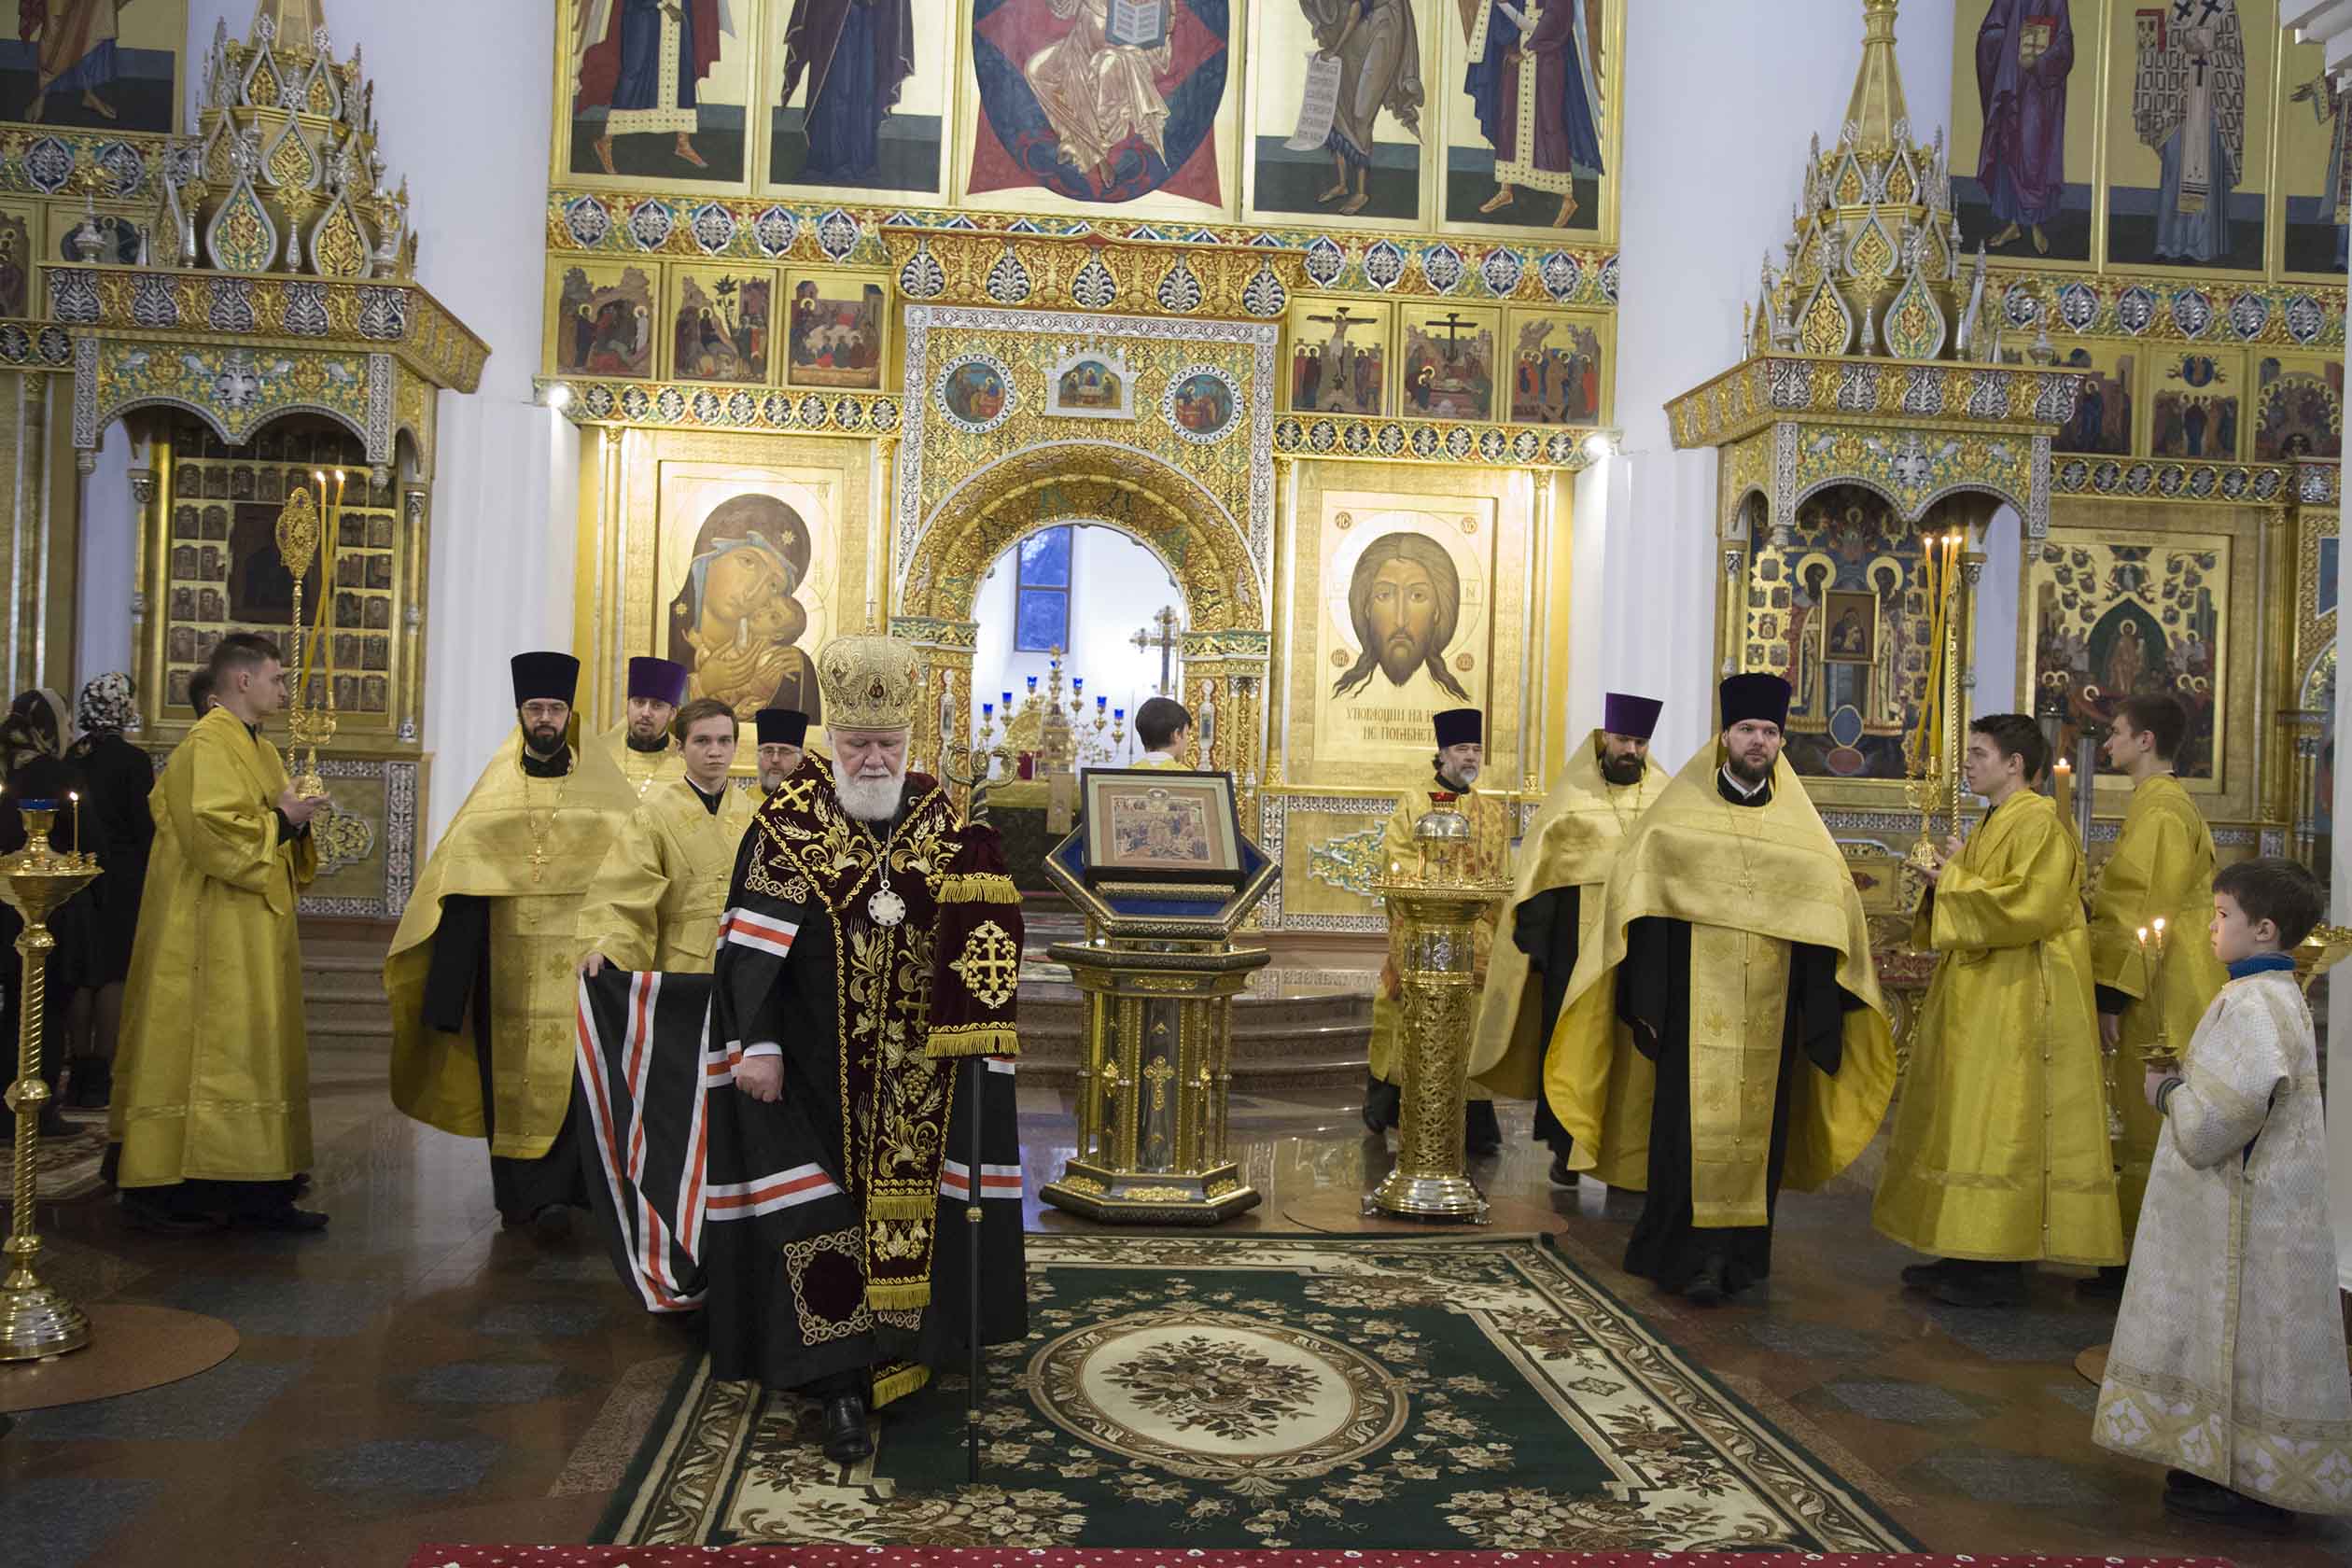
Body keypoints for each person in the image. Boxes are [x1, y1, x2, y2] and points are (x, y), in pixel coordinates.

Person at [574, 633, 1028, 1466]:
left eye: (887, 744)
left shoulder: (937, 815)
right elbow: (747, 950)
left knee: (913, 1211)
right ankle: (836, 1383)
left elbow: (974, 938)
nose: (873, 760)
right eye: (858, 744)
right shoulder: (789, 824)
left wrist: (984, 895)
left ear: (907, 740)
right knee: (817, 1218)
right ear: (833, 738)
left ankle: (908, 1352)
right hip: (811, 1067)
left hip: (917, 1071)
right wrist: (757, 1044)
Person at [1549, 674, 1895, 1304]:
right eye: (1747, 730)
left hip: (1773, 1014)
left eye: (1769, 732)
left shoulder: (1804, 836)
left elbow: (1830, 915)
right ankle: (1683, 1256)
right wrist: (1648, 1005)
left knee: (1758, 1141)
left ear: (1780, 741)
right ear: (1725, 737)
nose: (1758, 741)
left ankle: (1738, 1258)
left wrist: (1821, 1011)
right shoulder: (1676, 822)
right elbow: (1643, 910)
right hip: (1689, 1011)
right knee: (1683, 1141)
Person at [2094, 858, 2352, 1533]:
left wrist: (2168, 1092)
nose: (2212, 927)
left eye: (2222, 915)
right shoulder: (2273, 994)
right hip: (2267, 1206)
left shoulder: (2250, 1003)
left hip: (2246, 1208)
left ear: (2263, 928)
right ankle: (2233, 1468)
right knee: (2257, 1338)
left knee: (2242, 1334)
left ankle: (2243, 1482)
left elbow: (2216, 1126)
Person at [1872, 715, 2122, 1309]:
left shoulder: (2040, 823)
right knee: (1968, 1117)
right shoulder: (1996, 818)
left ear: (2015, 764)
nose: (1969, 763)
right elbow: (1982, 890)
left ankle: (2000, 1263)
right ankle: (1963, 1245)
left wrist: (1953, 880)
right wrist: (1949, 879)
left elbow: (2030, 907)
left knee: (2005, 1120)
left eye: (1980, 754)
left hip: (2020, 995)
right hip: (1983, 991)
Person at [386, 653, 636, 1230]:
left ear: (570, 714)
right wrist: (449, 987)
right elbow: (459, 887)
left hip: (581, 967)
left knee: (577, 1080)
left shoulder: (608, 797)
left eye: (555, 708)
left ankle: (572, 1191)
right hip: (505, 967)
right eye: (535, 708)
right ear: (520, 712)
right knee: (509, 1081)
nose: (545, 718)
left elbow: (629, 878)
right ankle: (520, 1196)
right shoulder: (492, 795)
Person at [111, 637, 327, 1233]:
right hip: (207, 927)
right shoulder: (207, 744)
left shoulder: (260, 747)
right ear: (242, 681)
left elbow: (268, 819)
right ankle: (180, 1186)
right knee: (215, 1049)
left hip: (250, 924)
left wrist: (295, 819)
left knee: (254, 1044)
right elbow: (212, 830)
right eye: (277, 679)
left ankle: (257, 1184)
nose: (284, 691)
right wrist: (284, 819)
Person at [1477, 693, 1666, 1187]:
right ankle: (1567, 1149)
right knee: (1574, 1045)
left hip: (1640, 950)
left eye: (1640, 742)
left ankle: (1629, 1156)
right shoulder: (1571, 797)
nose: (1631, 750)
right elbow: (1540, 872)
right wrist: (1538, 943)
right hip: (1573, 949)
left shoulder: (1665, 798)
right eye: (1623, 739)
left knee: (1633, 1050)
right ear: (1606, 739)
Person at [2084, 693, 2227, 1297]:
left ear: (2145, 741)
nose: (2108, 742)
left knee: (2149, 1123)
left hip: (2162, 986)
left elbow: (2142, 907)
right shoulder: (2160, 803)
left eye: (2116, 732)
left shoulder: (2161, 810)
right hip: (2166, 977)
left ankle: (2141, 1272)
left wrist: (2111, 997)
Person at [1365, 707, 1509, 1155]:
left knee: (1474, 1021)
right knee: (1406, 1014)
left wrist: (1496, 932)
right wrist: (1439, 898)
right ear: (1443, 753)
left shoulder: (1492, 813)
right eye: (1462, 749)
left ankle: (1474, 1121)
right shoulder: (1414, 802)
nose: (1471, 757)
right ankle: (1390, 1106)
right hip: (1423, 928)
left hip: (1476, 935)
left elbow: (1502, 875)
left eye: (1477, 749)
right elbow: (1396, 860)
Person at [578, 697, 762, 977]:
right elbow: (625, 894)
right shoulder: (652, 818)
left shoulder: (756, 816)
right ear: (679, 748)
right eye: (702, 741)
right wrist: (606, 947)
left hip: (747, 963)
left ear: (735, 746)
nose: (715, 751)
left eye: (724, 741)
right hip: (679, 970)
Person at [0, 687, 90, 1141]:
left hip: (4, 901)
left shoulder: (6, 767)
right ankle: (38, 1110)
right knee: (43, 1007)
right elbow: (84, 838)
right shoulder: (53, 773)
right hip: (49, 906)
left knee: (11, 1008)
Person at [61, 673, 152, 1112]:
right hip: (121, 876)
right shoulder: (133, 760)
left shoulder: (71, 756)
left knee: (81, 972)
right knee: (113, 974)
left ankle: (78, 1070)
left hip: (76, 875)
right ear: (123, 708)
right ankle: (101, 1074)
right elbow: (144, 827)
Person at [1463, 0, 1605, 227]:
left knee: (1551, 123)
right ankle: (1506, 189)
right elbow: (1511, 22)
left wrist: (1526, 49)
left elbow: (1555, 21)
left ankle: (1568, 199)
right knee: (1508, 120)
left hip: (1547, 59)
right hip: (1516, 58)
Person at [573, 0, 731, 176]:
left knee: (683, 72)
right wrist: (664, 5)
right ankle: (605, 142)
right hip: (645, 15)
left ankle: (683, 143)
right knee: (634, 73)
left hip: (677, 12)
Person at [1303, 0, 1423, 217]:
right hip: (1359, 25)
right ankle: (1342, 184)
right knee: (1339, 103)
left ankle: (1361, 192)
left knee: (1361, 113)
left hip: (1384, 25)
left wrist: (1335, 49)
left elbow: (1357, 8)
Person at [1974, 0, 2075, 254]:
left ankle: (2035, 224)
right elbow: (1989, 32)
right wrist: (2011, 40)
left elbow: (2065, 44)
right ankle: (2014, 224)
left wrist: (2040, 62)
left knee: (2033, 150)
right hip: (2010, 82)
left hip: (2039, 91)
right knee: (2007, 146)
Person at [778, 0, 917, 184]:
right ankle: (830, 161)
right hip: (834, 19)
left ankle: (861, 162)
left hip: (869, 19)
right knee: (836, 89)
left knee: (865, 92)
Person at [600, 654, 690, 803]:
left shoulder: (687, 762)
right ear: (628, 706)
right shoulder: (600, 753)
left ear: (673, 713)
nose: (646, 713)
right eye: (639, 702)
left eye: (657, 705)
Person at [754, 706, 809, 792]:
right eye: (768, 751)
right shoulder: (742, 799)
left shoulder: (816, 800)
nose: (775, 759)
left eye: (785, 752)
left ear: (800, 759)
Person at [1132, 695, 1191, 769]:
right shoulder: (1189, 775)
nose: (1187, 741)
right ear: (1177, 734)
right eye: (1186, 734)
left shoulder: (1124, 774)